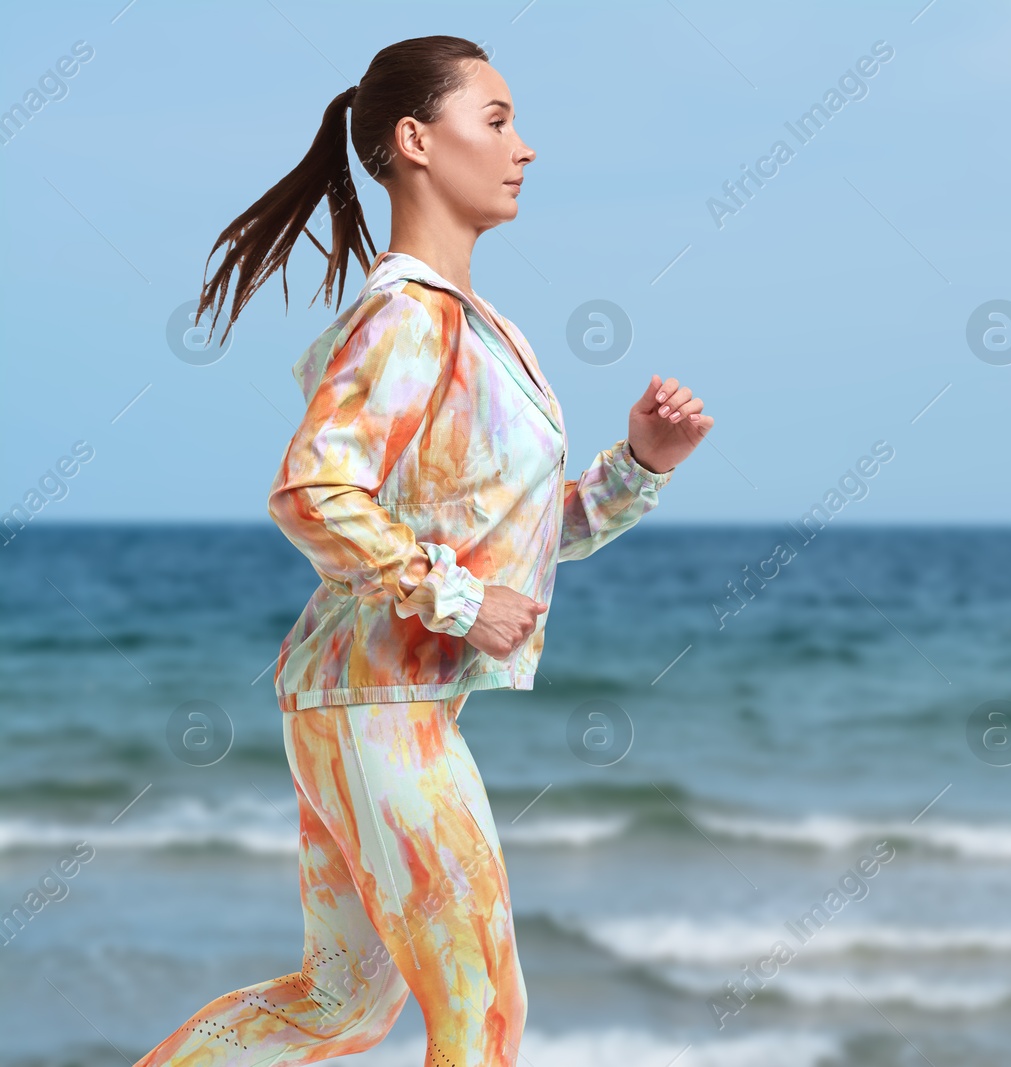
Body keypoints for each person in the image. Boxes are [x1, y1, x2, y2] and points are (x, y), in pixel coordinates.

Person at [132, 35, 711, 1067]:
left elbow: (525, 539)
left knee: (340, 1004)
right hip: (377, 706)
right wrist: (454, 600)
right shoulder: (406, 316)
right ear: (415, 141)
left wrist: (641, 465)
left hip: (369, 701)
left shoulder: (480, 328)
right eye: (495, 120)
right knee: (482, 1010)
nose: (523, 147)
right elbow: (312, 490)